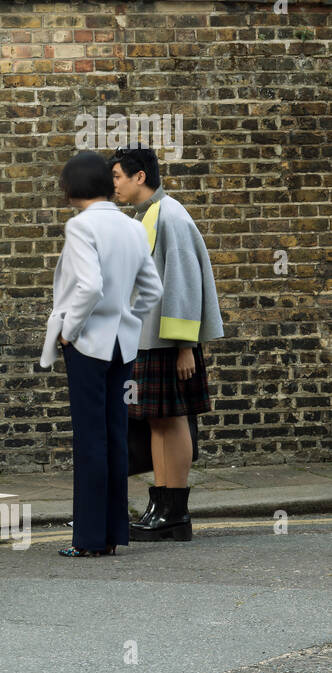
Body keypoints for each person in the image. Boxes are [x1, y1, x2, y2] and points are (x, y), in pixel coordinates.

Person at [43, 152, 162, 557]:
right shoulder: (131, 226)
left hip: (89, 346)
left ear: (73, 187)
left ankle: (90, 540)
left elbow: (89, 287)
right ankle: (112, 535)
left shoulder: (80, 227)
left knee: (89, 440)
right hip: (122, 346)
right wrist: (128, 318)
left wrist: (70, 333)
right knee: (114, 437)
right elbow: (153, 291)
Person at [110, 144, 223, 541]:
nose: (115, 185)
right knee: (157, 421)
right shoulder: (149, 215)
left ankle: (175, 513)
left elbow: (183, 283)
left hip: (169, 344)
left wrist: (185, 346)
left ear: (140, 176)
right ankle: (161, 508)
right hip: (151, 341)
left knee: (173, 421)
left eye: (118, 177)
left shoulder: (170, 216)